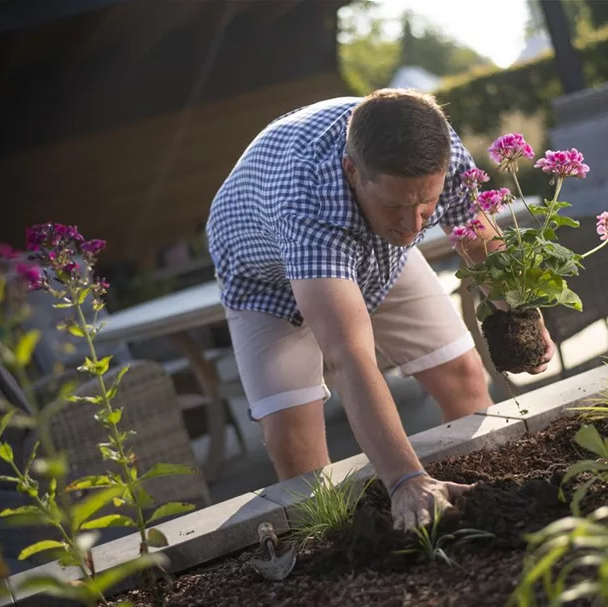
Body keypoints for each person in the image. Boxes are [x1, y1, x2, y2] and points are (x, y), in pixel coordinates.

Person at [205, 89, 555, 531]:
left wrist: (521, 311)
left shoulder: (432, 144)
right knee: (299, 457)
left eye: (426, 205)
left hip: (377, 249)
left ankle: (478, 511)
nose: (415, 226)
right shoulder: (307, 203)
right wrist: (406, 479)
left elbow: (476, 237)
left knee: (463, 376)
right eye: (396, 204)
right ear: (352, 171)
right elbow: (350, 358)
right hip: (267, 284)